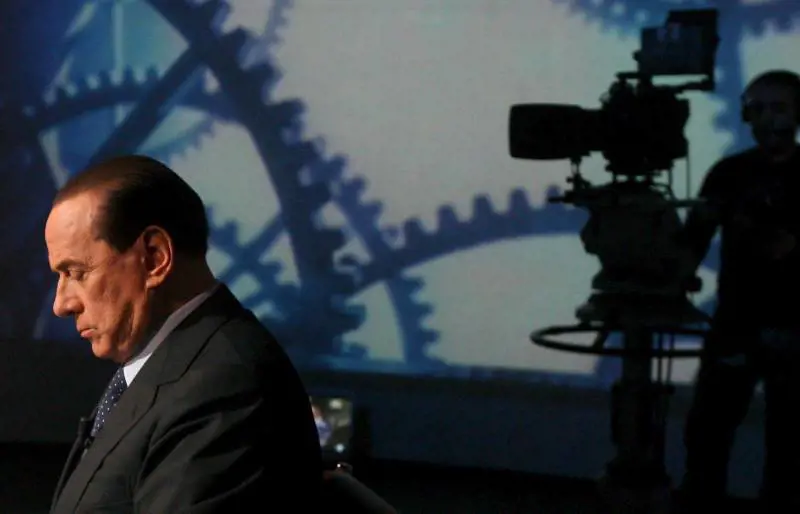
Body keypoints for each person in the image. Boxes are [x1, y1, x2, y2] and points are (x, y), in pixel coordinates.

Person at [45, 155, 322, 513]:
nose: (61, 304)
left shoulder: (223, 386)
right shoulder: (173, 368)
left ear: (154, 257)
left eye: (76, 273)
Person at [678, 69, 800, 512]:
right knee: (706, 438)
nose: (767, 119)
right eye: (758, 109)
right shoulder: (728, 173)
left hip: (795, 328)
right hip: (735, 324)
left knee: (790, 451)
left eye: (778, 108)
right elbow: (692, 242)